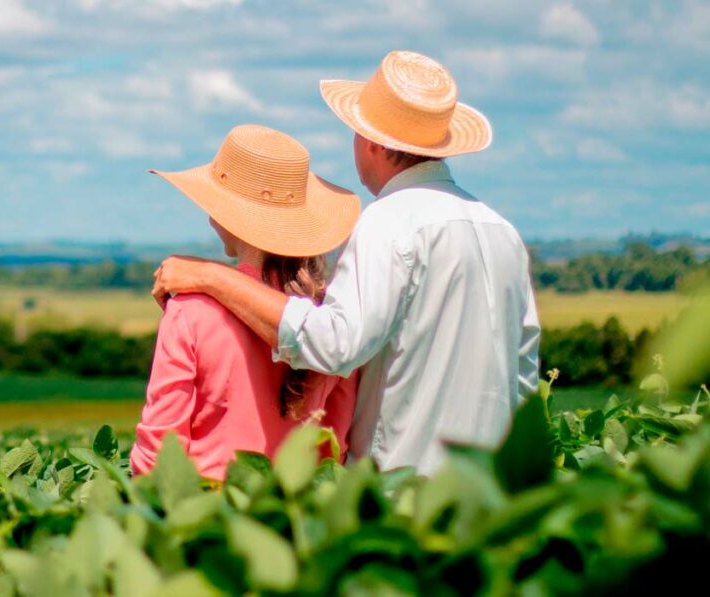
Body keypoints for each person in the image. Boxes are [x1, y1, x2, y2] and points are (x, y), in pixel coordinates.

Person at [151, 51, 541, 475]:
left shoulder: (388, 223)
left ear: (371, 142)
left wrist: (210, 277)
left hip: (402, 485)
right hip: (490, 487)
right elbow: (522, 377)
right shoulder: (502, 230)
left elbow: (334, 344)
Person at [130, 124, 361, 480]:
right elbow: (335, 448)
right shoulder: (334, 318)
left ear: (224, 215)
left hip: (206, 517)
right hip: (294, 515)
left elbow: (160, 452)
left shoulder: (189, 312)